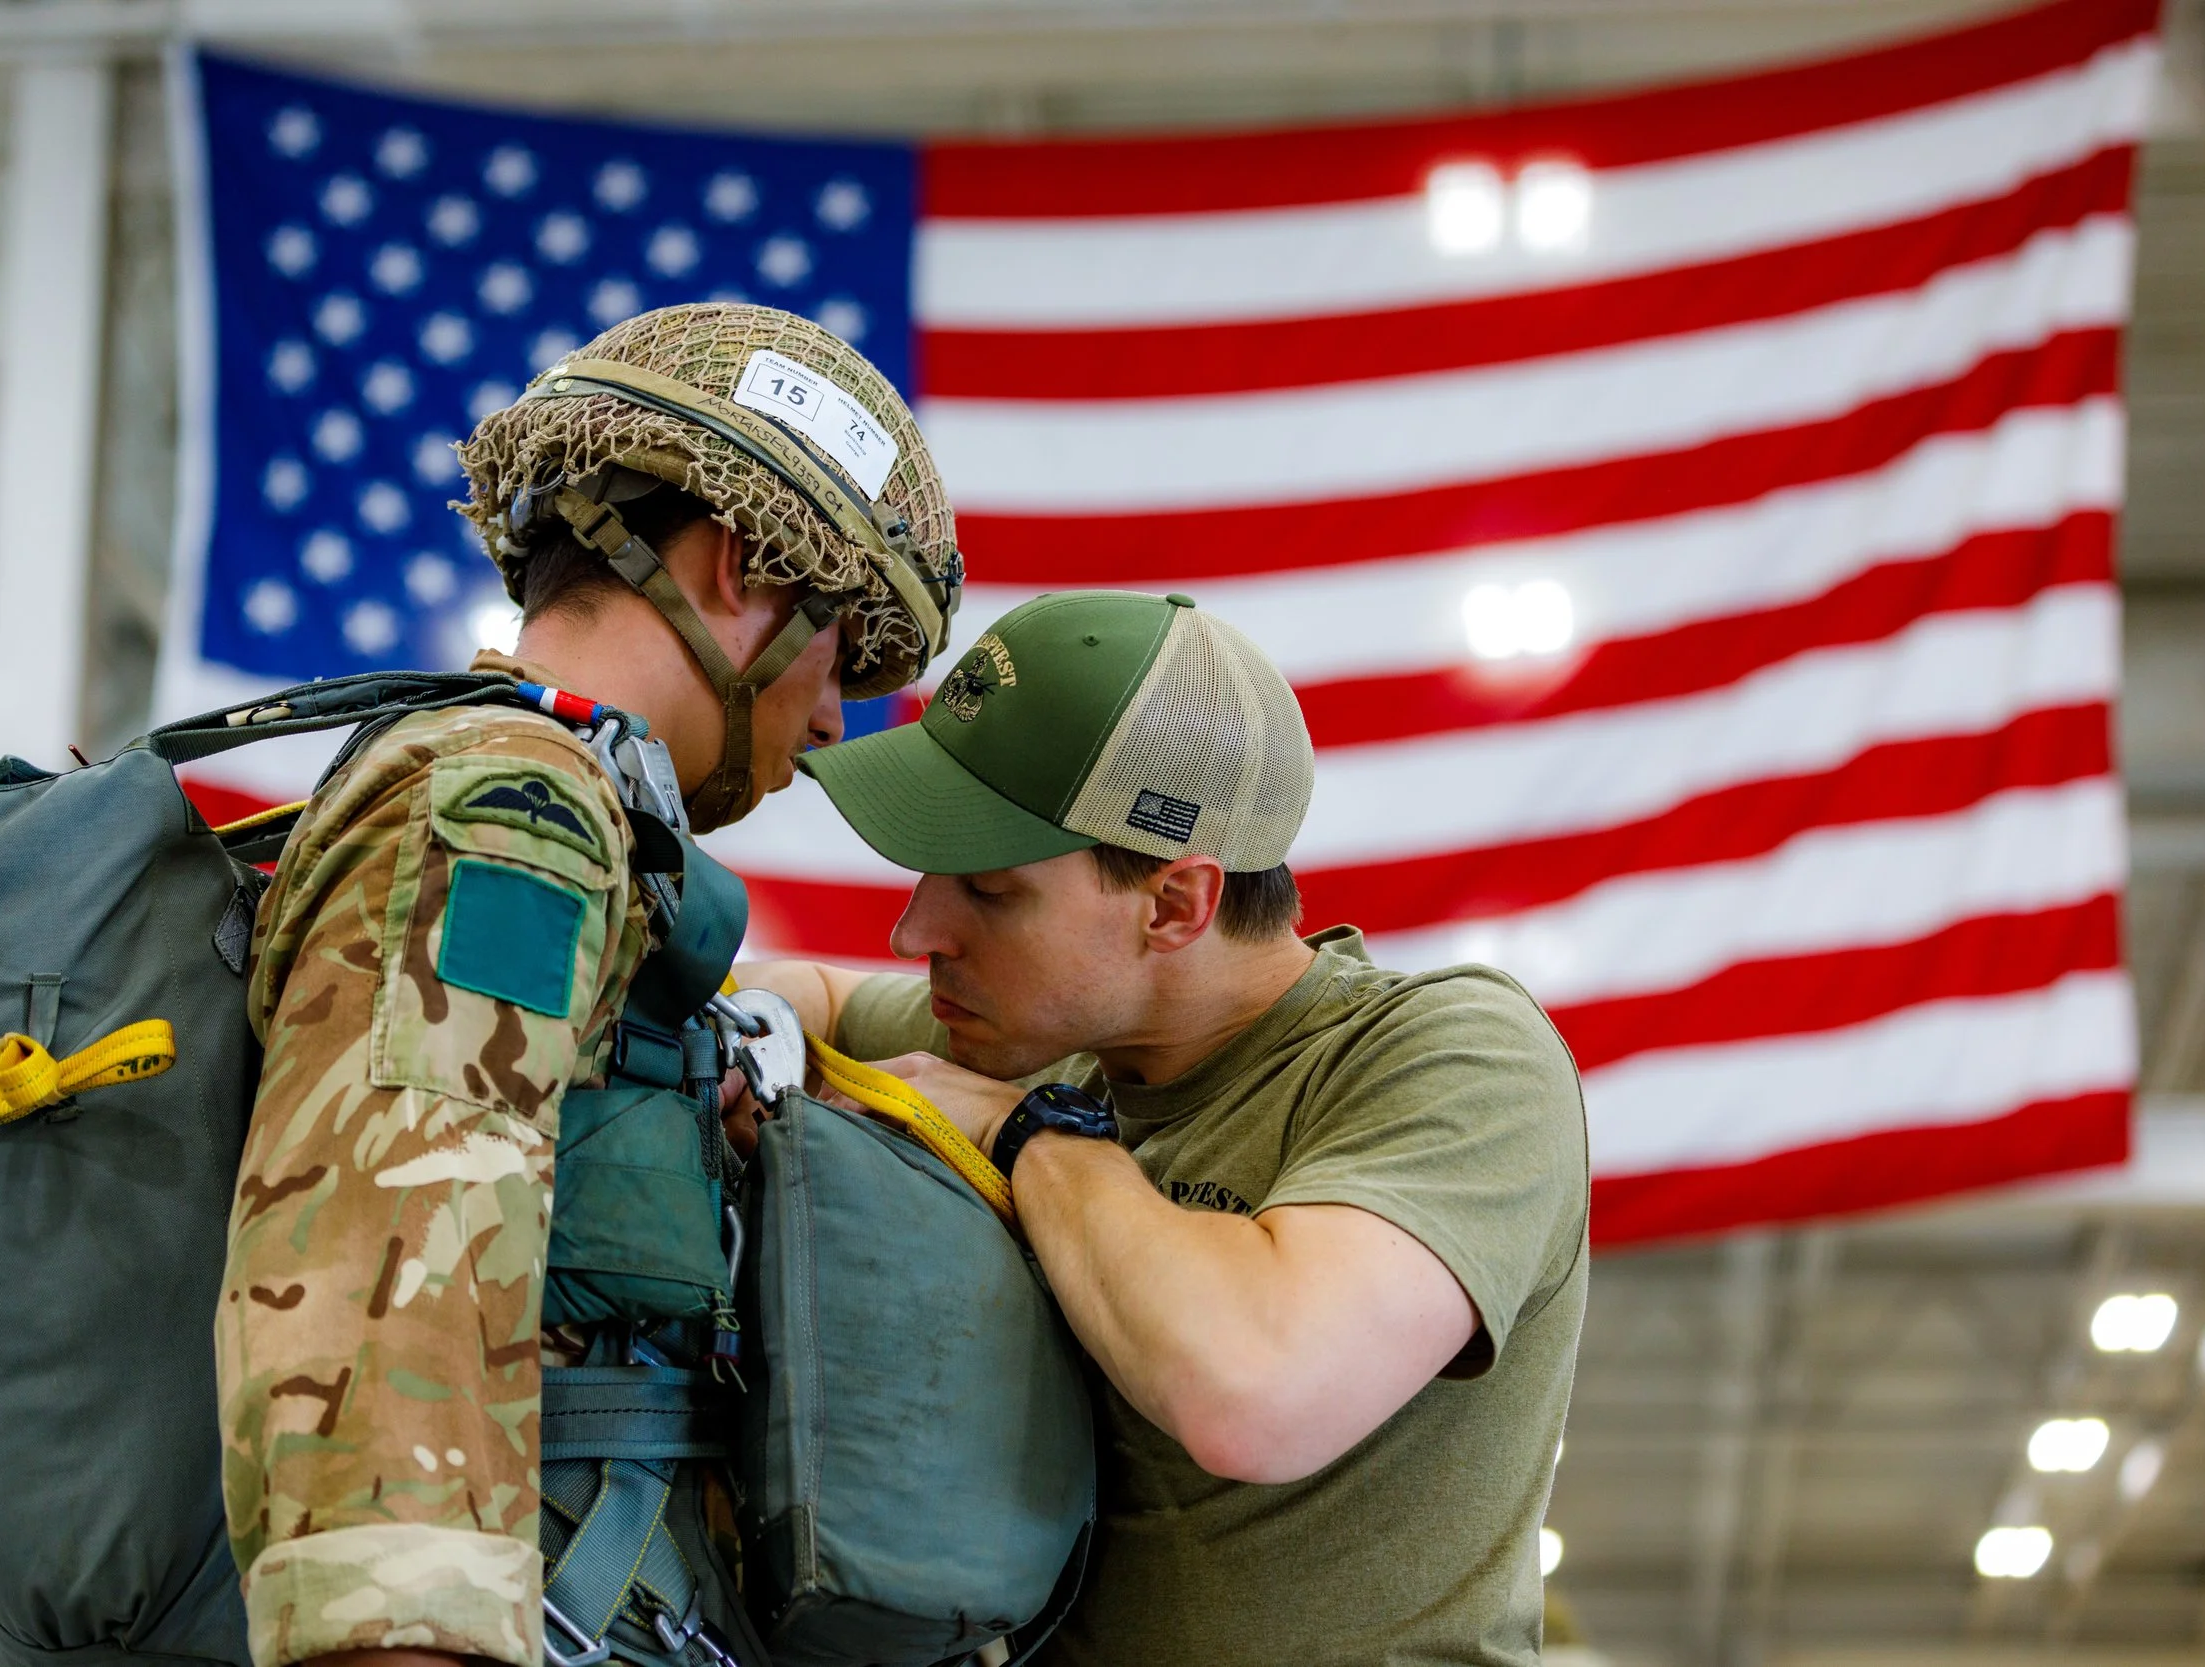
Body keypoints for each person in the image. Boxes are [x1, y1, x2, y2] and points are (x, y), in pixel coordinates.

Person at [213, 301, 962, 1667]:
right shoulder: (516, 808)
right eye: (840, 648)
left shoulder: (581, 819)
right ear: (742, 564)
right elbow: (394, 1278)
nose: (836, 715)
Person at [738, 590, 1589, 1667]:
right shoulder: (1040, 1026)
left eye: (989, 891)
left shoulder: (1448, 1054)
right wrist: (748, 1033)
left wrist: (1029, 1132)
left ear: (1176, 903)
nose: (917, 929)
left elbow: (1256, 1388)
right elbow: (812, 989)